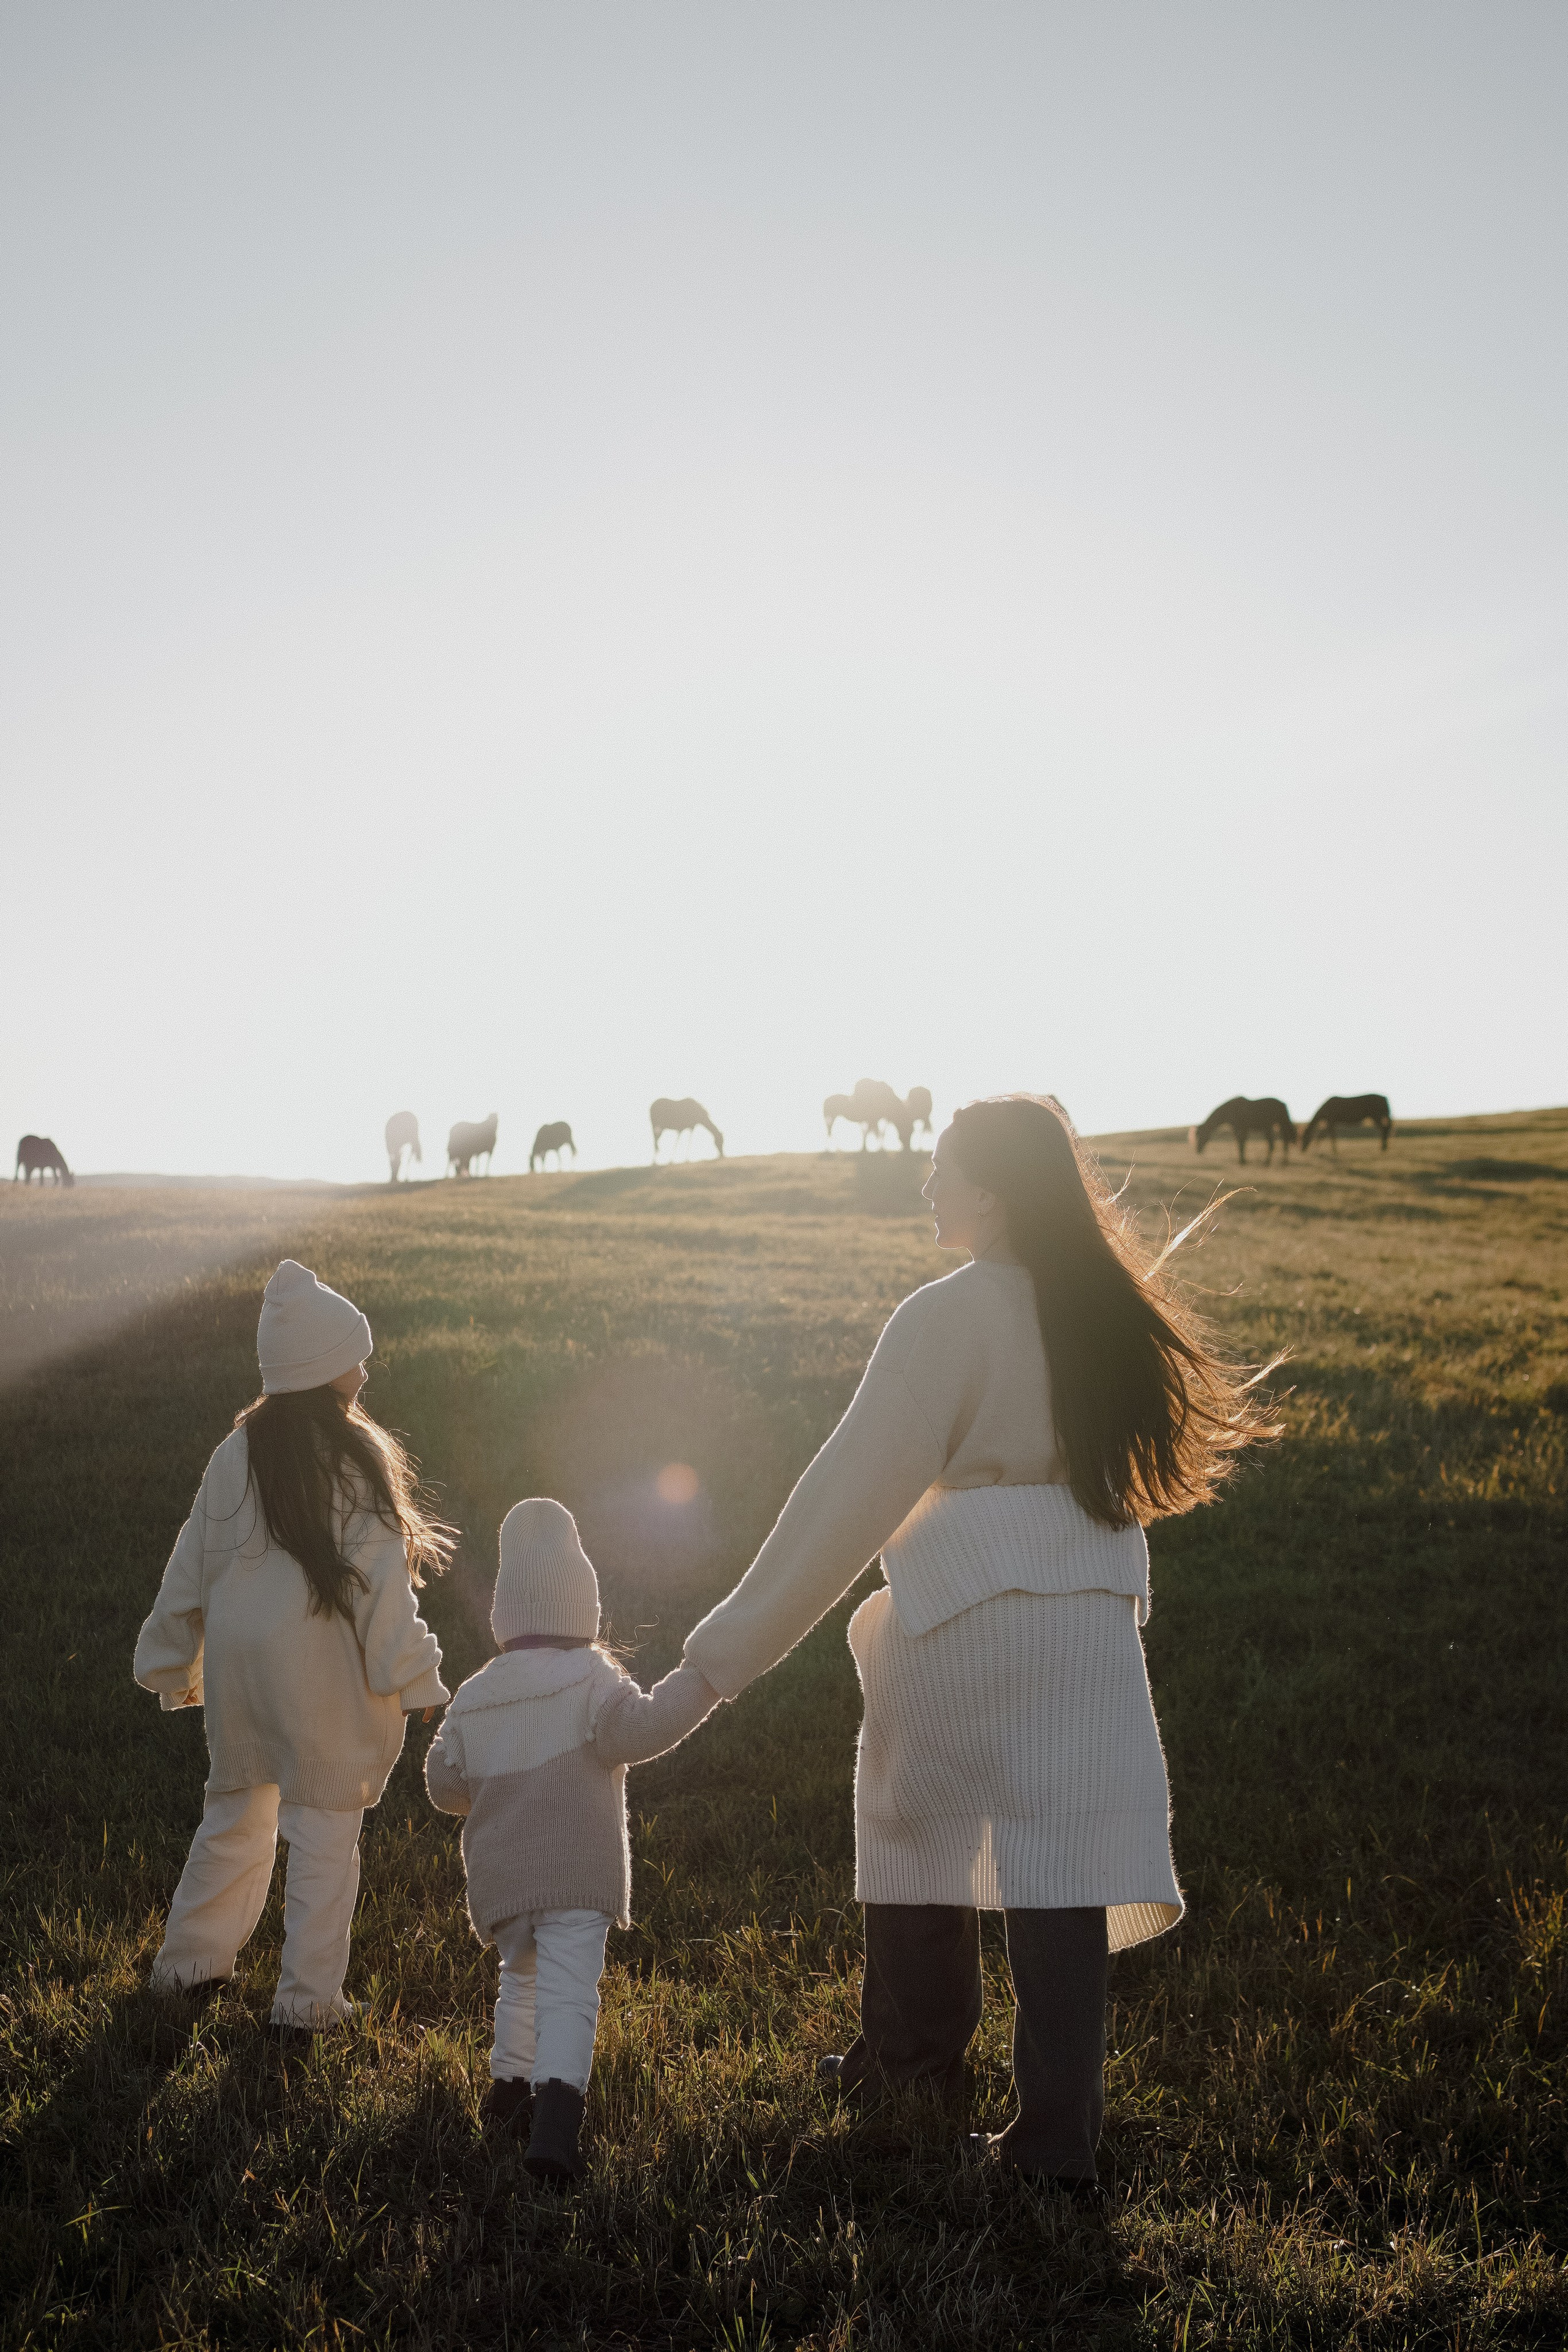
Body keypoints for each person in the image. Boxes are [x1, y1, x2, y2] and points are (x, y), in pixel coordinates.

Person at [682, 1094, 1277, 2190]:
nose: (927, 1186)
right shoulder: (1099, 1313)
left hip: (964, 1615)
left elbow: (846, 1501)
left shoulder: (945, 1316)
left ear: (992, 1192)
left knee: (918, 1828)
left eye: (944, 1167)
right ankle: (1056, 2140)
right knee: (1060, 1871)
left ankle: (911, 2063)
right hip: (1089, 1627)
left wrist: (717, 1659)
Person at [134, 1259, 453, 2034]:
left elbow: (192, 1562)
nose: (366, 1366)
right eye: (356, 1352)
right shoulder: (355, 1459)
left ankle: (187, 1967)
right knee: (322, 1833)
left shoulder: (235, 1451)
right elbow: (384, 1590)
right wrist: (417, 1680)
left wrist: (172, 1652)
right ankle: (308, 2003)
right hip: (319, 1681)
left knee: (235, 1817)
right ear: (322, 1367)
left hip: (247, 1674)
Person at [425, 1498, 722, 2182]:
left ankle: (506, 2097)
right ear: (581, 1608)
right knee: (566, 1992)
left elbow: (444, 1786)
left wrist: (486, 1780)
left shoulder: (474, 1694)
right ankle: (555, 2129)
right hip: (575, 1874)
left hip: (504, 1880)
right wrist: (701, 1681)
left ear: (506, 1615)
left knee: (519, 1983)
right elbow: (640, 1731)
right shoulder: (592, 1677)